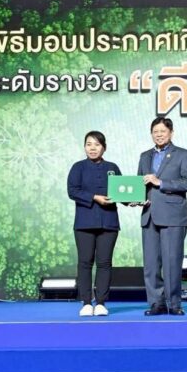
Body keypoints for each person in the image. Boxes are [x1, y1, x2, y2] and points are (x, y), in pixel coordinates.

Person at [134, 117, 187, 316]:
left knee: (172, 262)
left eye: (163, 131)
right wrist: (135, 199)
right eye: (155, 131)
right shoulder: (144, 156)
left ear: (171, 133)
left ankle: (174, 303)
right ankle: (156, 303)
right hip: (149, 215)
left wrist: (160, 182)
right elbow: (139, 184)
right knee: (151, 264)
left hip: (173, 216)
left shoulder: (184, 155)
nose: (159, 135)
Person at [66, 131, 121, 318]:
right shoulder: (78, 167)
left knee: (104, 263)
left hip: (109, 223)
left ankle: (101, 303)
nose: (92, 148)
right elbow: (72, 191)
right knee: (85, 263)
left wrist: (134, 200)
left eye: (97, 144)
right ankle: (86, 302)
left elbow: (121, 191)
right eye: (89, 144)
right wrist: (94, 197)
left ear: (104, 147)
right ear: (84, 147)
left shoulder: (112, 167)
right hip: (84, 223)